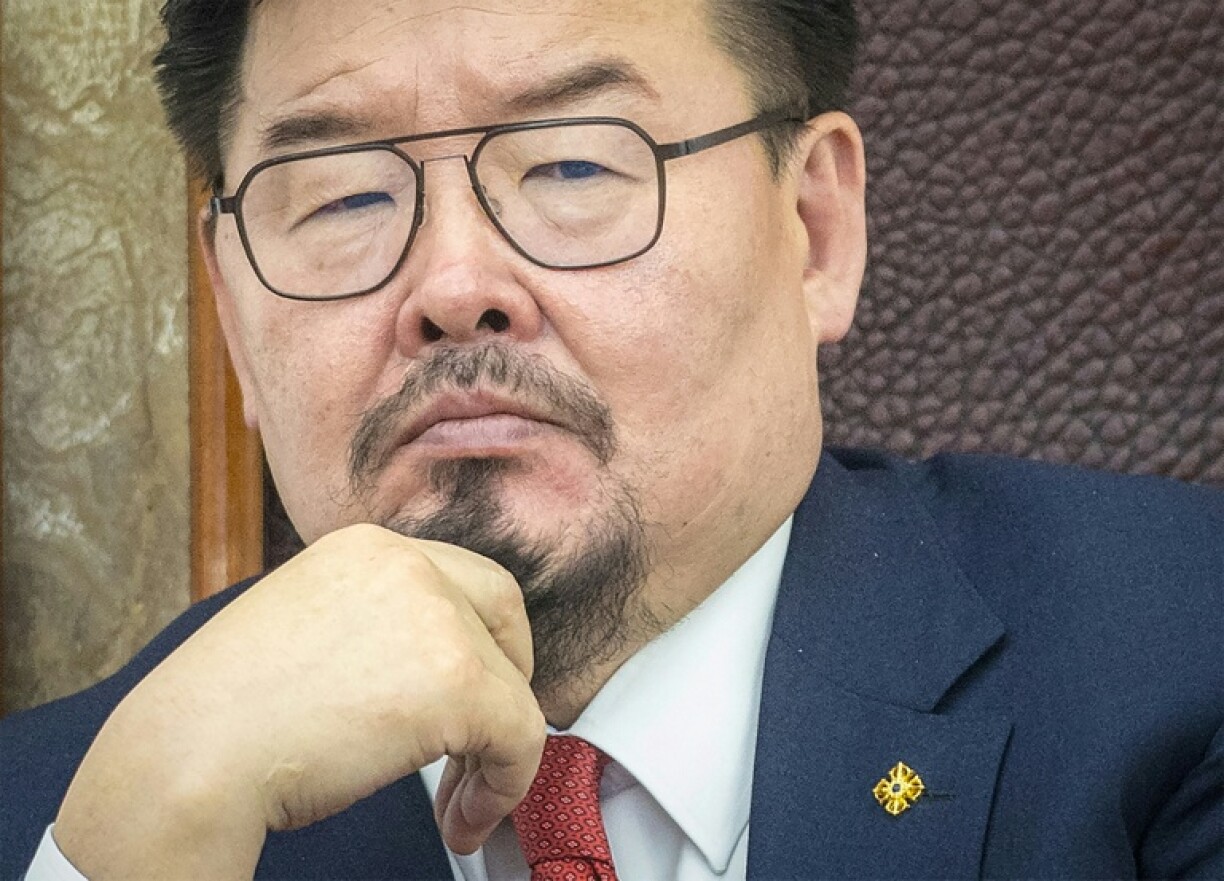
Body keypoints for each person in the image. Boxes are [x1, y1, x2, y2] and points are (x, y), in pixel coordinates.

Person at [2, 0, 1221, 877]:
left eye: (575, 163)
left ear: (815, 229)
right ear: (230, 310)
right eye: (344, 195)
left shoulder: (1179, 657)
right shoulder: (64, 822)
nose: (455, 282)